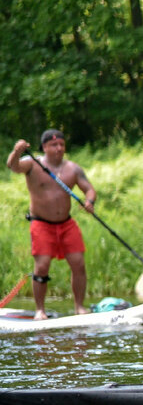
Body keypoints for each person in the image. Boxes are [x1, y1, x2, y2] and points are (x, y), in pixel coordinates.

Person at [6, 129, 97, 319]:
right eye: (54, 145)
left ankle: (79, 307)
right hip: (41, 224)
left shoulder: (73, 168)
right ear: (44, 147)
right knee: (42, 266)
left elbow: (89, 189)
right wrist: (17, 152)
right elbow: (12, 166)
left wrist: (90, 202)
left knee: (78, 263)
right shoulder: (33, 164)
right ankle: (40, 310)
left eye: (62, 144)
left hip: (66, 224)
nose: (58, 148)